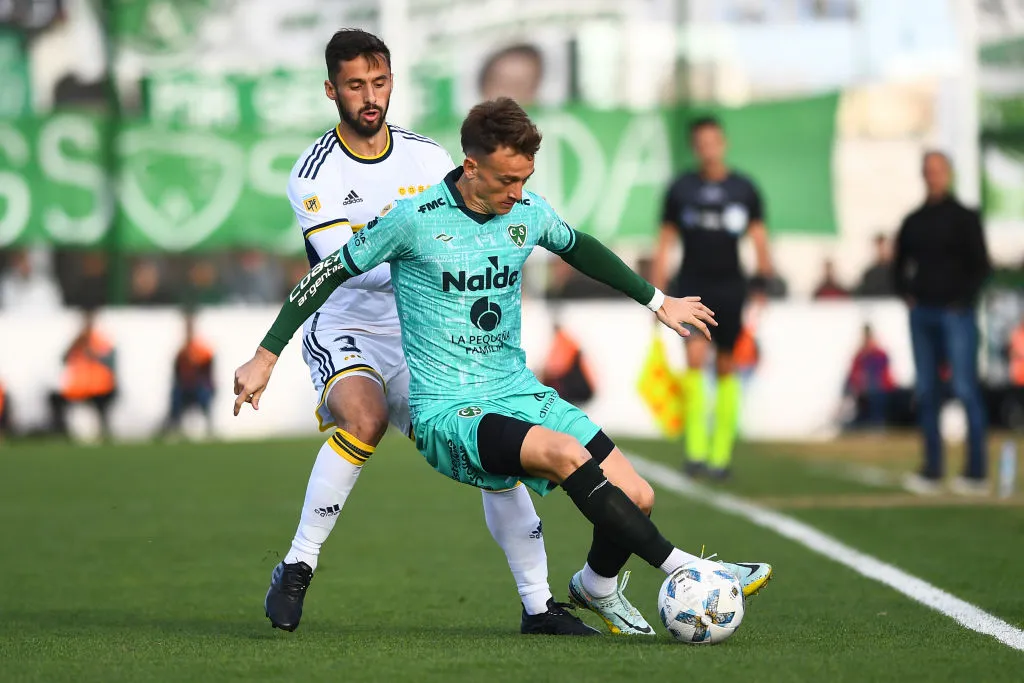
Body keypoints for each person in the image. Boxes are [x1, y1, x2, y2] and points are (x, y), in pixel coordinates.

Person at [234, 97, 772, 636]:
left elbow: (578, 247)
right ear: (471, 166)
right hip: (451, 411)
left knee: (638, 497)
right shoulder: (414, 219)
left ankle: (595, 586)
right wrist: (266, 354)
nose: (517, 193)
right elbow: (328, 272)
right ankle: (691, 568)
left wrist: (658, 301)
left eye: (525, 178)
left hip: (516, 391)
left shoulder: (527, 212)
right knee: (565, 455)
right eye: (507, 180)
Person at [264, 29, 581, 637]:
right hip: (347, 324)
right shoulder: (314, 173)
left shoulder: (428, 157)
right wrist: (430, 254)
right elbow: (342, 267)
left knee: (491, 444)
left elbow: (473, 226)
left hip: (425, 334)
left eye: (379, 82)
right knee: (365, 420)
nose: (370, 97)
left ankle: (539, 605)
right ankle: (299, 564)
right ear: (331, 90)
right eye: (355, 85)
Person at [651, 116, 773, 480]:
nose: (708, 149)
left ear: (723, 143)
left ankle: (721, 456)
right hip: (692, 285)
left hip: (731, 287)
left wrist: (763, 283)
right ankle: (695, 452)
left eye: (713, 142)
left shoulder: (744, 189)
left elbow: (759, 238)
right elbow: (664, 242)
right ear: (695, 147)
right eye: (701, 143)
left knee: (726, 365)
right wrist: (656, 294)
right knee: (693, 359)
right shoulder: (681, 189)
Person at [895, 151, 991, 496]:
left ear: (948, 174)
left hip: (956, 315)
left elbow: (981, 266)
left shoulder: (964, 218)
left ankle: (976, 472)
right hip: (923, 314)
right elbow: (899, 263)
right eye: (928, 171)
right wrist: (907, 294)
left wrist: (961, 301)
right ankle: (932, 469)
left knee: (965, 388)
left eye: (938, 170)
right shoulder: (914, 220)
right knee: (927, 391)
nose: (933, 176)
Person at [48, 309, 117, 440]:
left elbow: (110, 360)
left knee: (102, 406)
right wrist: (75, 344)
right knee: (55, 399)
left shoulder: (100, 340)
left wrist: (93, 354)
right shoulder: (77, 341)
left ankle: (103, 433)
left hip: (99, 388)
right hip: (77, 389)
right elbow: (63, 359)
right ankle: (60, 431)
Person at [161, 310, 215, 438]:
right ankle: (174, 428)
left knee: (204, 395)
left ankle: (209, 429)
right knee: (176, 397)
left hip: (199, 387)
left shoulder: (203, 350)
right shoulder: (182, 351)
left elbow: (207, 373)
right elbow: (177, 373)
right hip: (185, 388)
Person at [842, 324, 895, 429]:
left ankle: (877, 422)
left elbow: (880, 376)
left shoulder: (880, 354)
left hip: (880, 391)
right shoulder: (860, 356)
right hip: (864, 393)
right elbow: (852, 375)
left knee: (875, 394)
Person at [855, 233, 896, 298]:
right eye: (880, 248)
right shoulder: (870, 274)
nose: (883, 251)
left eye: (885, 247)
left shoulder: (898, 272)